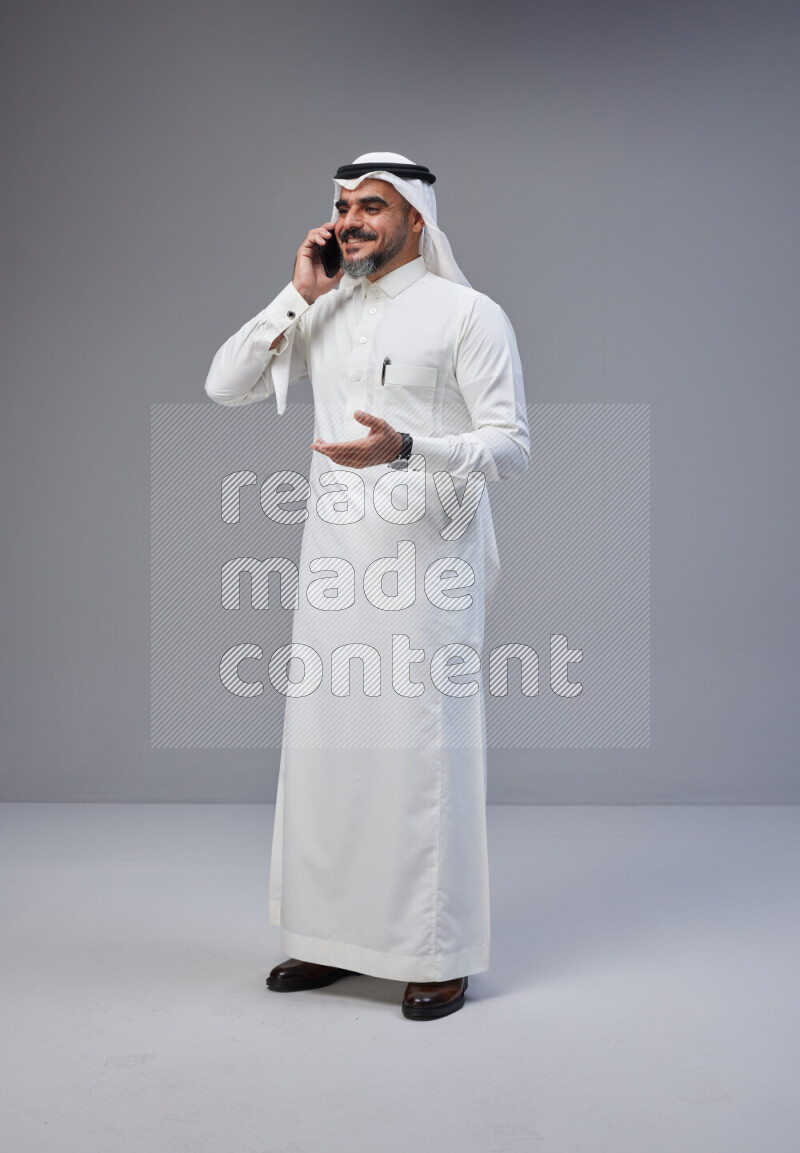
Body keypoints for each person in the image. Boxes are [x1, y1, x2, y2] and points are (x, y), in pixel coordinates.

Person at [205, 152, 530, 1019]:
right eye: (344, 206)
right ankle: (327, 940)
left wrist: (411, 450)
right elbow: (224, 382)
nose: (351, 221)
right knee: (331, 755)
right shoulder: (327, 310)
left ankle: (438, 951)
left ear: (416, 221)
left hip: (427, 568)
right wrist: (298, 294)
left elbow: (510, 444)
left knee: (424, 758)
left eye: (372, 207)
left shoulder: (469, 314)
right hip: (334, 570)